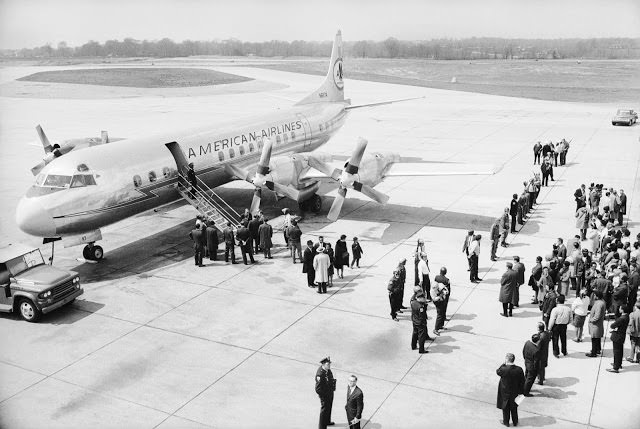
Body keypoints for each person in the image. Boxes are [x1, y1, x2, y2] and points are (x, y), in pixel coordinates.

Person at [496, 353, 525, 428]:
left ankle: (506, 422)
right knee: (514, 407)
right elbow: (522, 381)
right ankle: (515, 421)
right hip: (515, 391)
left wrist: (503, 364)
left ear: (507, 359)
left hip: (505, 391)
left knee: (505, 407)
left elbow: (497, 371)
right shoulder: (519, 369)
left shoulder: (503, 369)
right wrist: (521, 392)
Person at [607, 306, 630, 373]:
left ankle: (615, 367)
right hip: (621, 336)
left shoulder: (621, 319)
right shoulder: (627, 316)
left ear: (622, 310)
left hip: (617, 336)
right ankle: (618, 364)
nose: (619, 309)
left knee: (616, 352)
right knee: (620, 351)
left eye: (620, 308)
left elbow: (612, 326)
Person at [316, 356, 336, 429]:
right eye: (328, 364)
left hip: (330, 392)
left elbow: (330, 379)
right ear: (323, 364)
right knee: (324, 411)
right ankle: (322, 427)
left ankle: (327, 421)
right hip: (324, 395)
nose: (329, 366)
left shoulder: (328, 370)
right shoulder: (320, 374)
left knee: (329, 407)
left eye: (329, 364)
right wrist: (324, 395)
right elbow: (318, 389)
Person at [411, 287, 431, 353]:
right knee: (421, 336)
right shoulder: (421, 307)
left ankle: (413, 346)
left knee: (415, 333)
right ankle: (421, 349)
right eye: (423, 298)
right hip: (420, 323)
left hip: (414, 321)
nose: (424, 299)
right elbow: (422, 316)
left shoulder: (413, 302)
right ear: (420, 298)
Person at [586, 290, 606, 357]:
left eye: (594, 295)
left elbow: (597, 315)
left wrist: (592, 320)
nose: (593, 296)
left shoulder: (599, 304)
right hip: (598, 324)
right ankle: (597, 349)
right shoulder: (601, 302)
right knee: (597, 337)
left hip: (595, 324)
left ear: (597, 296)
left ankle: (593, 352)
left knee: (594, 338)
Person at [432, 267, 450, 336]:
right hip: (440, 299)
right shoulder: (446, 280)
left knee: (442, 313)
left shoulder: (436, 277)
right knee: (440, 314)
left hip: (440, 297)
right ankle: (436, 329)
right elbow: (448, 290)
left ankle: (440, 325)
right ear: (445, 272)